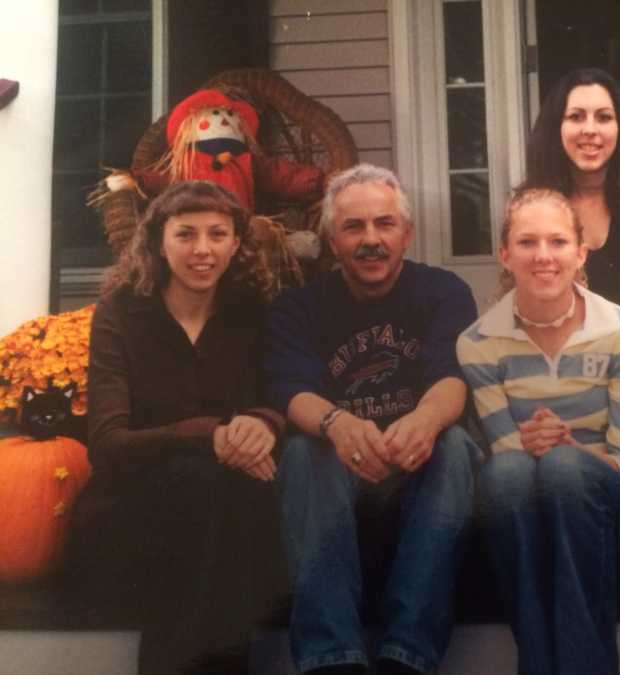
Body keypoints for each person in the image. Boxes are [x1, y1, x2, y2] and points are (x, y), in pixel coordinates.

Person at [267, 163, 480, 675]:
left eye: (384, 224)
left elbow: (453, 377)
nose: (371, 240)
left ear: (406, 234)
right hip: (339, 472)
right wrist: (338, 424)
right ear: (330, 241)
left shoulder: (444, 291)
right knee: (303, 448)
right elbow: (292, 391)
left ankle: (407, 656)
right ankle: (330, 658)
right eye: (353, 227)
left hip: (420, 465)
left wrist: (426, 419)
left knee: (452, 447)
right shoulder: (298, 307)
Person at [71, 180, 287, 674]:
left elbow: (274, 400)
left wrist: (263, 424)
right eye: (186, 234)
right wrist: (207, 434)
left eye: (217, 234)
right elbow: (106, 446)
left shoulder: (250, 314)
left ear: (236, 243)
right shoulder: (120, 316)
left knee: (239, 495)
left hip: (224, 509)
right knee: (205, 486)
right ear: (158, 242)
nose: (203, 250)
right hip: (129, 516)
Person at [457, 188, 620, 675]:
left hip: (613, 521)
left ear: (581, 252)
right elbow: (511, 461)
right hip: (533, 523)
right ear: (505, 255)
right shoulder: (478, 343)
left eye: (557, 242)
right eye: (527, 243)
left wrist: (574, 453)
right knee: (506, 473)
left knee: (562, 467)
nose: (544, 257)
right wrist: (553, 453)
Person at [524, 67, 620, 313]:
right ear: (555, 127)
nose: (590, 129)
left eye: (604, 117)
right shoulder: (530, 210)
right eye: (576, 117)